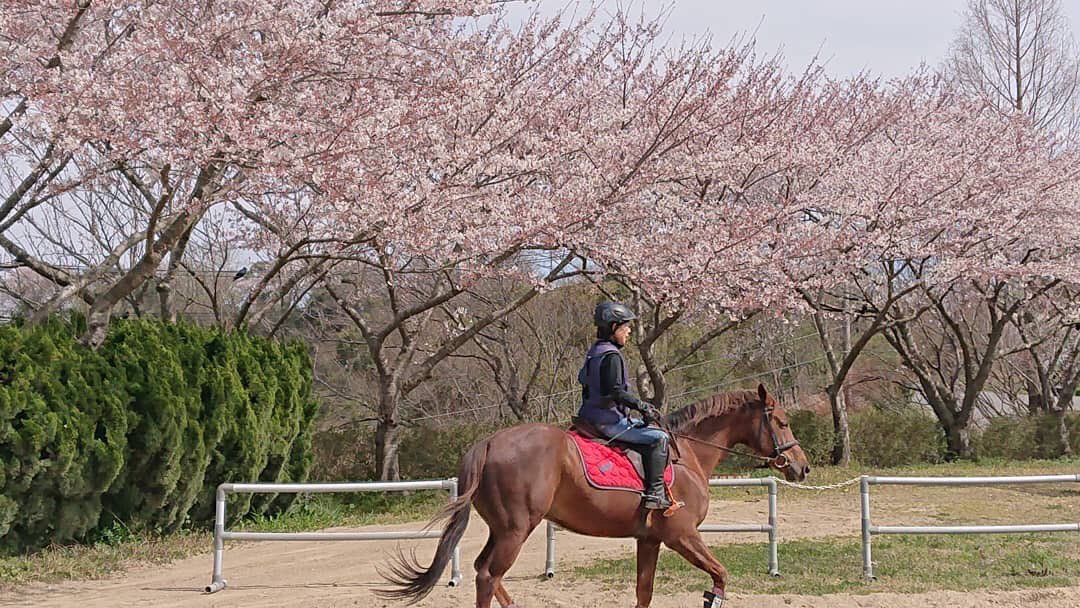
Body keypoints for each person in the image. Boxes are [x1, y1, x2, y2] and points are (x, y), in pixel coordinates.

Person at [576, 301, 671, 510]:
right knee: (659, 438)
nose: (628, 331)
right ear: (613, 327)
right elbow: (616, 392)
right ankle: (656, 494)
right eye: (625, 326)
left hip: (588, 416)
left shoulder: (595, 351)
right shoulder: (612, 356)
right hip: (608, 421)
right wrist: (642, 406)